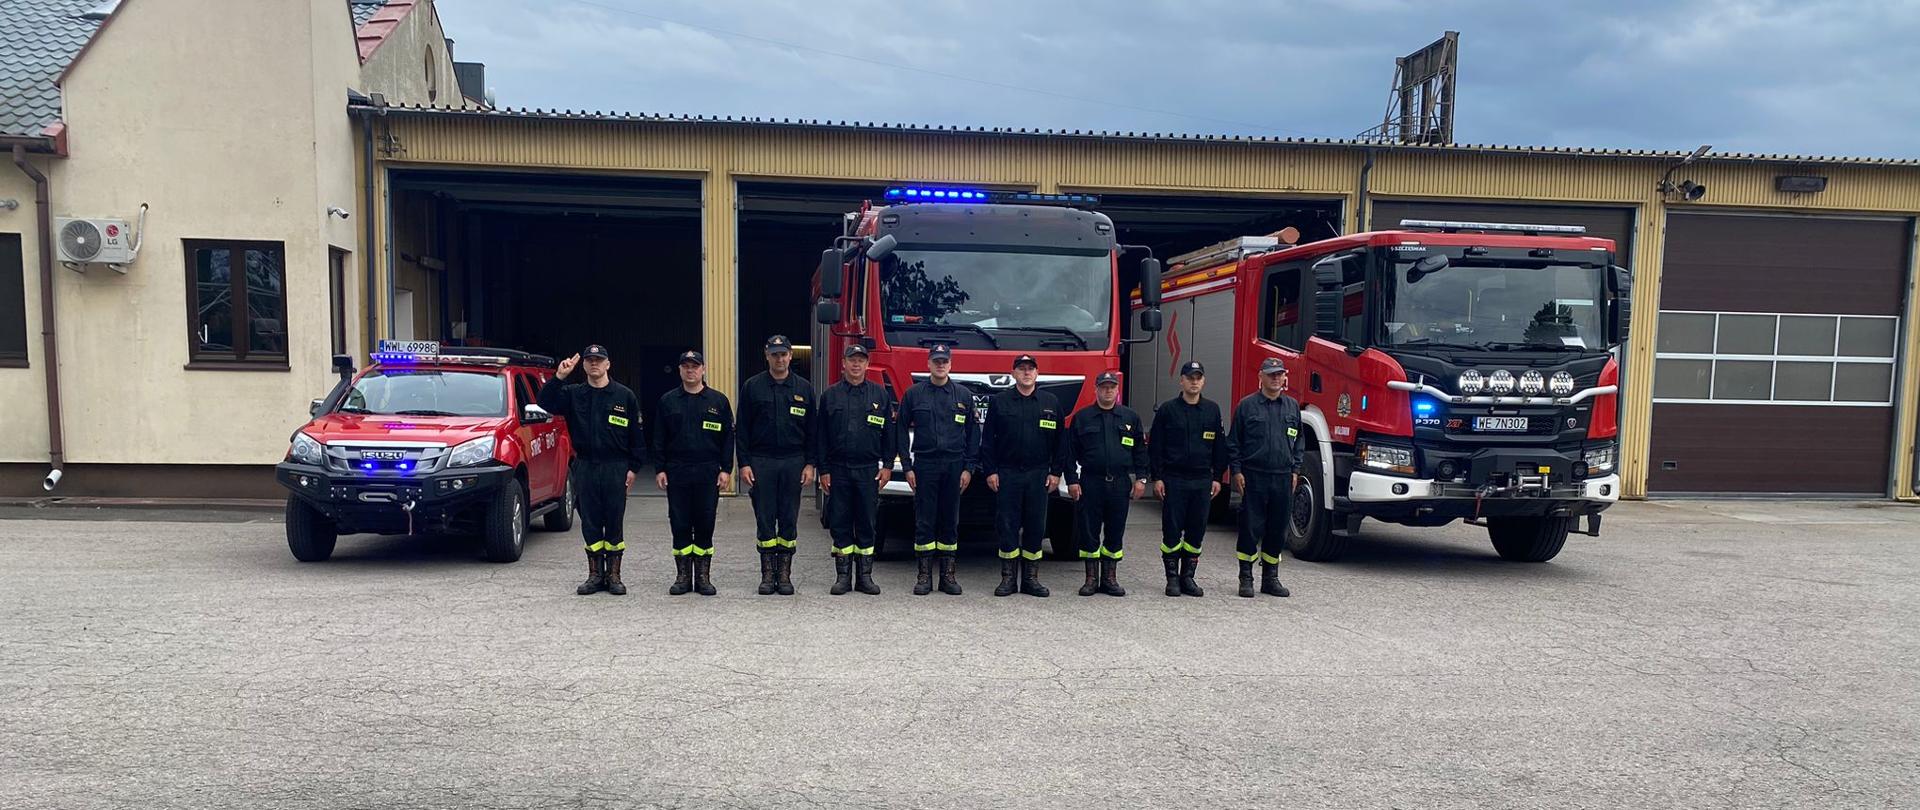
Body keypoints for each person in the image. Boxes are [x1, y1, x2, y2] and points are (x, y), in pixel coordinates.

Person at [538, 344, 647, 596]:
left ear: (608, 364)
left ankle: (614, 576)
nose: (594, 364)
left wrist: (634, 468)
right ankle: (595, 575)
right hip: (586, 465)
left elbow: (637, 435)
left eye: (599, 360)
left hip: (615, 467)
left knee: (614, 521)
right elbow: (545, 402)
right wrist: (559, 377)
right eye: (590, 360)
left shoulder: (624, 396)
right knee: (590, 521)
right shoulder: (573, 394)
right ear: (584, 365)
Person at [979, 354, 1066, 598]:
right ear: (1013, 373)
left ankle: (1030, 579)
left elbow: (1061, 442)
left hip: (1039, 474)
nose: (1026, 373)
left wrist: (1056, 472)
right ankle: (1008, 579)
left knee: (1035, 526)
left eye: (1030, 369)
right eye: (1021, 369)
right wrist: (991, 471)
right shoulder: (1000, 402)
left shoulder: (1050, 402)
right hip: (1008, 473)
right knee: (1007, 525)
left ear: (1037, 373)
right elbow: (988, 440)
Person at [736, 335, 816, 596]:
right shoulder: (752, 387)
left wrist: (810, 464)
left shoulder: (804, 388)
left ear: (790, 356)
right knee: (765, 518)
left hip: (793, 461)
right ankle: (767, 575)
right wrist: (744, 463)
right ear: (767, 356)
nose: (779, 359)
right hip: (762, 461)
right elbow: (742, 429)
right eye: (775, 354)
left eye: (783, 354)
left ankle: (784, 575)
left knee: (789, 518)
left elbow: (812, 431)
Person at [815, 344, 897, 595]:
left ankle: (864, 577)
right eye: (852, 360)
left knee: (866, 522)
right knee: (840, 522)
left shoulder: (879, 395)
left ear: (867, 364)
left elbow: (889, 434)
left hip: (868, 470)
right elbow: (821, 436)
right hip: (838, 469)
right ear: (844, 363)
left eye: (861, 360)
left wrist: (888, 466)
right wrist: (823, 470)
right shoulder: (830, 395)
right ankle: (843, 577)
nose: (856, 364)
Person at [897, 344, 978, 595]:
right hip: (925, 464)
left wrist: (969, 468)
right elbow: (900, 430)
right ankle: (924, 576)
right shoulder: (914, 394)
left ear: (950, 365)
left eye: (944, 361)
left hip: (954, 465)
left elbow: (973, 434)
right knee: (924, 520)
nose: (940, 365)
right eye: (936, 361)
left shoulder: (963, 395)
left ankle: (947, 576)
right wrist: (907, 466)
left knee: (950, 520)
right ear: (928, 364)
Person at [653, 350, 734, 596]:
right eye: (686, 366)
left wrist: (726, 469)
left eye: (695, 366)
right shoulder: (668, 401)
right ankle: (682, 577)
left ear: (703, 369)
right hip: (677, 471)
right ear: (680, 370)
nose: (690, 370)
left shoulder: (718, 401)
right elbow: (658, 437)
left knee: (705, 522)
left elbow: (728, 439)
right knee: (679, 523)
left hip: (707, 470)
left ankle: (702, 577)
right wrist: (660, 468)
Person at [1062, 370, 1148, 597]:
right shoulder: (1083, 417)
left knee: (1115, 530)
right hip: (1091, 481)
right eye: (1103, 387)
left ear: (1117, 389)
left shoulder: (1130, 417)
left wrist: (1141, 479)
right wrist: (1072, 480)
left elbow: (1140, 451)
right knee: (1089, 530)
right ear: (1096, 390)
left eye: (1112, 387)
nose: (1108, 391)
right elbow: (1069, 453)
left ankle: (1110, 578)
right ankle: (1091, 579)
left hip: (1120, 482)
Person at [1149, 360, 1228, 597]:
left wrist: (1217, 477)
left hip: (1202, 480)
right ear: (1181, 381)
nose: (1194, 382)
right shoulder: (1168, 410)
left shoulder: (1212, 410)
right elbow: (1156, 446)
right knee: (1172, 532)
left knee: (1196, 531)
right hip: (1174, 479)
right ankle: (1172, 579)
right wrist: (1157, 477)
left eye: (1198, 378)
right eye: (1190, 378)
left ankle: (1188, 577)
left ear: (1203, 381)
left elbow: (1220, 447)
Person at [1228, 356, 1302, 599]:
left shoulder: (1292, 406)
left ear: (1285, 377)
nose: (1275, 378)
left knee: (1278, 529)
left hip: (1282, 477)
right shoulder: (1247, 406)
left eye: (1279, 374)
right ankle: (1246, 578)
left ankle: (1270, 579)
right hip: (1254, 476)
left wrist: (1295, 470)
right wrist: (1237, 471)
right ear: (1260, 376)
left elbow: (1299, 442)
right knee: (1250, 528)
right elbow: (1234, 442)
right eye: (1271, 374)